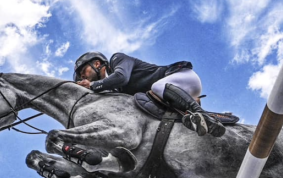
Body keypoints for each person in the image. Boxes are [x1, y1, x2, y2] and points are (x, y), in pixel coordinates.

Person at [73, 51, 225, 137]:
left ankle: (201, 114)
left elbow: (122, 77)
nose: (83, 77)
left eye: (82, 72)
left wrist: (92, 85)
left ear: (97, 64)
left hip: (184, 78)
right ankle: (191, 117)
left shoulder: (117, 60)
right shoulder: (116, 90)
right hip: (173, 96)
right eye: (80, 77)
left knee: (157, 87)